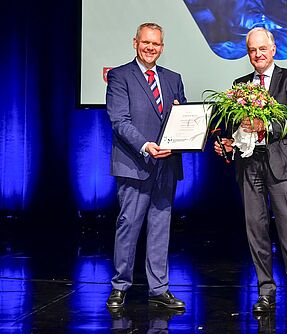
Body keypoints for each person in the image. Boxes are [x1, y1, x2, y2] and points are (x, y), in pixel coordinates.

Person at [214, 27, 287, 316]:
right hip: (249, 165)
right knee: (256, 231)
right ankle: (266, 291)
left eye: (262, 49)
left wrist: (267, 127)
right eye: (252, 50)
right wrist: (228, 145)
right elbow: (235, 129)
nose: (257, 55)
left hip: (284, 165)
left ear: (274, 49)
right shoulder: (240, 85)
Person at [105, 22, 186, 310]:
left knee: (161, 228)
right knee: (129, 225)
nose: (151, 48)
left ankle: (159, 289)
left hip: (166, 166)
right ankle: (120, 286)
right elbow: (119, 121)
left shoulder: (173, 78)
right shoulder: (119, 76)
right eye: (146, 42)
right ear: (135, 42)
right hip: (135, 163)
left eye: (156, 44)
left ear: (162, 47)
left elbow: (184, 118)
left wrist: (181, 125)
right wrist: (145, 146)